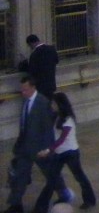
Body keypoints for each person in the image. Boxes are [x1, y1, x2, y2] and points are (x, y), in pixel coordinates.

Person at [6, 77, 68, 213]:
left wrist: (47, 149)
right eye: (22, 89)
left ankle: (64, 195)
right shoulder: (26, 101)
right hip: (24, 148)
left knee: (52, 174)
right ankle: (15, 205)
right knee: (19, 176)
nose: (23, 92)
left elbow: (47, 128)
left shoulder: (43, 103)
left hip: (40, 148)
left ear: (33, 87)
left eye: (25, 89)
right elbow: (24, 126)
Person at [33, 92, 97, 212]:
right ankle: (40, 207)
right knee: (51, 179)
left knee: (79, 177)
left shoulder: (68, 120)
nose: (51, 105)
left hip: (70, 153)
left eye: (53, 103)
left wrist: (48, 150)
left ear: (59, 104)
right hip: (59, 153)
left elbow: (62, 139)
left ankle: (89, 199)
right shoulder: (57, 116)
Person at [17, 35, 59, 99]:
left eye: (29, 45)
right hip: (51, 84)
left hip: (41, 87)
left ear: (31, 43)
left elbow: (32, 70)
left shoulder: (35, 55)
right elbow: (56, 61)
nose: (30, 47)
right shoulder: (52, 49)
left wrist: (24, 62)